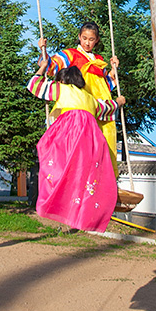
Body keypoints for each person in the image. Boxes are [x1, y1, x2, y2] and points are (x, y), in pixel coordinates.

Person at [27, 60, 125, 232]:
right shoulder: (89, 98)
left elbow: (34, 85)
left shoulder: (61, 88)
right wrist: (118, 102)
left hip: (69, 133)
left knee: (53, 161)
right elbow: (105, 108)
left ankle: (53, 199)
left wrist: (42, 67)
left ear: (63, 80)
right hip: (90, 139)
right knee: (83, 173)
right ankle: (81, 206)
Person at [38, 22, 120, 174]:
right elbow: (51, 67)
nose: (87, 42)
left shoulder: (99, 61)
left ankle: (104, 179)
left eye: (91, 39)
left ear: (96, 40)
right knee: (81, 145)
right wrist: (43, 51)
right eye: (84, 38)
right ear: (79, 38)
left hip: (100, 106)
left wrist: (113, 72)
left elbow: (104, 86)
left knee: (104, 141)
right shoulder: (70, 55)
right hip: (81, 106)